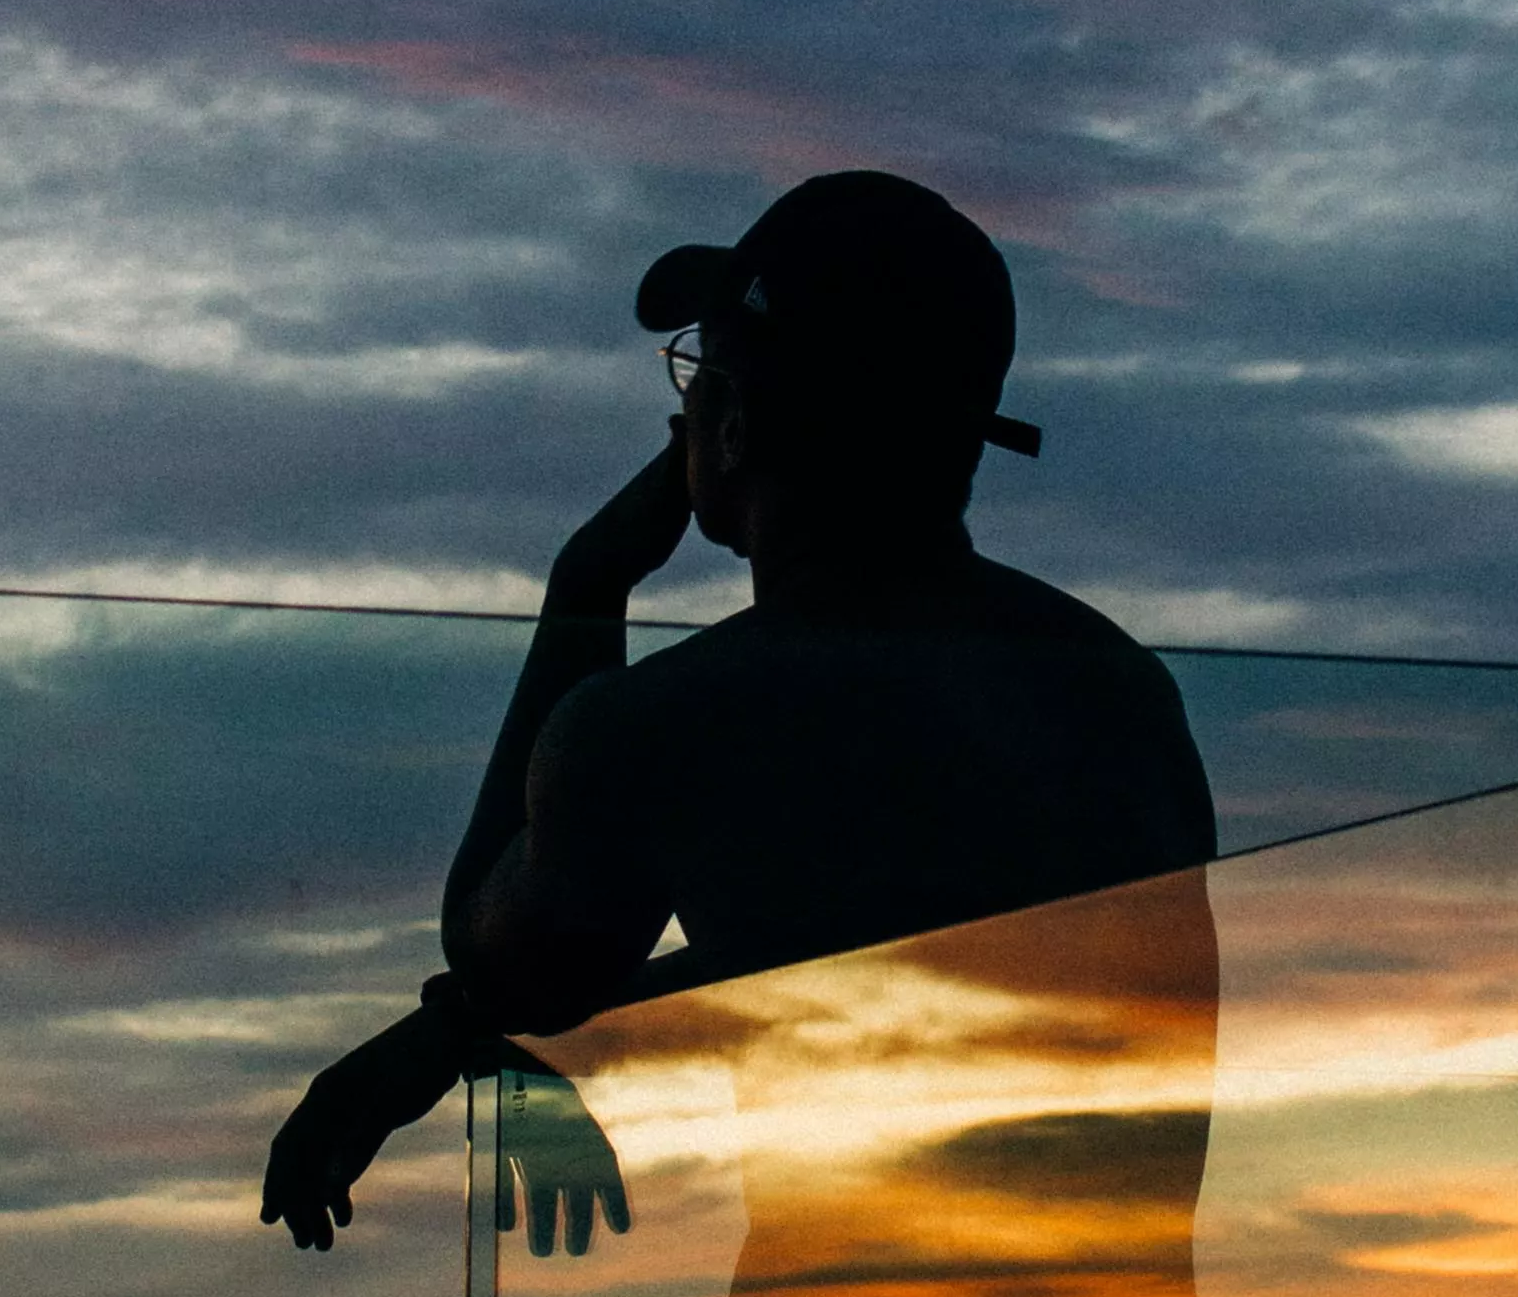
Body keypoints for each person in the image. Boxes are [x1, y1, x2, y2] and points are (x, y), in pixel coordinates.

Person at [260, 168, 1216, 1242]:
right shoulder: (1118, 691)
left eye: (699, 377)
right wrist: (459, 1037)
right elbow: (870, 980)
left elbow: (506, 951)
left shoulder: (677, 724)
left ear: (727, 424)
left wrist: (585, 587)